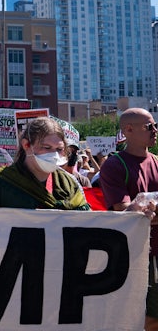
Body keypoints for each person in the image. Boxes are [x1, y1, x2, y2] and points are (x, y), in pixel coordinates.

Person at [98, 108, 158, 331]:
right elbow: (127, 212)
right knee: (150, 317)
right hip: (142, 255)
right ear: (129, 130)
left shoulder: (157, 161)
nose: (155, 131)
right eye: (149, 126)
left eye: (154, 125)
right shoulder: (115, 165)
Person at [0, 117, 90, 210]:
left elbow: (87, 224)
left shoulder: (69, 184)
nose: (54, 155)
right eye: (46, 147)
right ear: (26, 145)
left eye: (59, 149)